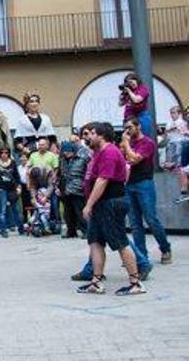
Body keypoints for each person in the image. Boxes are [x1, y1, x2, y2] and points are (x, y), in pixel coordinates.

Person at [77, 122, 146, 296]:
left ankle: (135, 282)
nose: (88, 136)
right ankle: (96, 281)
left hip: (111, 202)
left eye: (92, 133)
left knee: (121, 242)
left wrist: (89, 204)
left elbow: (102, 181)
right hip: (103, 204)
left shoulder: (109, 152)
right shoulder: (99, 153)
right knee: (95, 241)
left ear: (101, 135)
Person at [120, 117, 172, 264]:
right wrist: (126, 146)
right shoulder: (128, 143)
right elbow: (125, 160)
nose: (127, 131)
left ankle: (165, 248)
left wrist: (126, 145)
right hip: (129, 184)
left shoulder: (147, 143)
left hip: (144, 183)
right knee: (135, 223)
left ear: (139, 126)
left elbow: (135, 159)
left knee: (151, 219)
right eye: (125, 128)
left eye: (130, 127)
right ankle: (141, 256)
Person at [59, 141, 90, 238]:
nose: (65, 153)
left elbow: (87, 173)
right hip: (65, 188)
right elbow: (61, 174)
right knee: (68, 212)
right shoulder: (62, 160)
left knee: (79, 211)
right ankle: (71, 231)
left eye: (67, 151)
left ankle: (86, 230)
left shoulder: (82, 159)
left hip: (78, 188)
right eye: (64, 151)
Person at [0, 146, 22, 235]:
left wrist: (18, 187)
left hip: (12, 188)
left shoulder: (12, 163)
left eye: (6, 153)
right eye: (2, 153)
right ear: (0, 154)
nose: (4, 155)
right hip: (1, 189)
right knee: (3, 209)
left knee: (15, 209)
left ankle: (21, 228)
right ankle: (3, 229)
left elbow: (16, 176)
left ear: (9, 154)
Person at [119, 73, 153, 138]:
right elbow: (120, 104)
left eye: (131, 82)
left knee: (144, 137)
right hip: (129, 118)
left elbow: (136, 100)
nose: (131, 84)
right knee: (130, 138)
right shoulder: (129, 91)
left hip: (141, 116)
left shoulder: (142, 89)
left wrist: (129, 91)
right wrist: (123, 95)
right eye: (128, 83)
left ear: (136, 80)